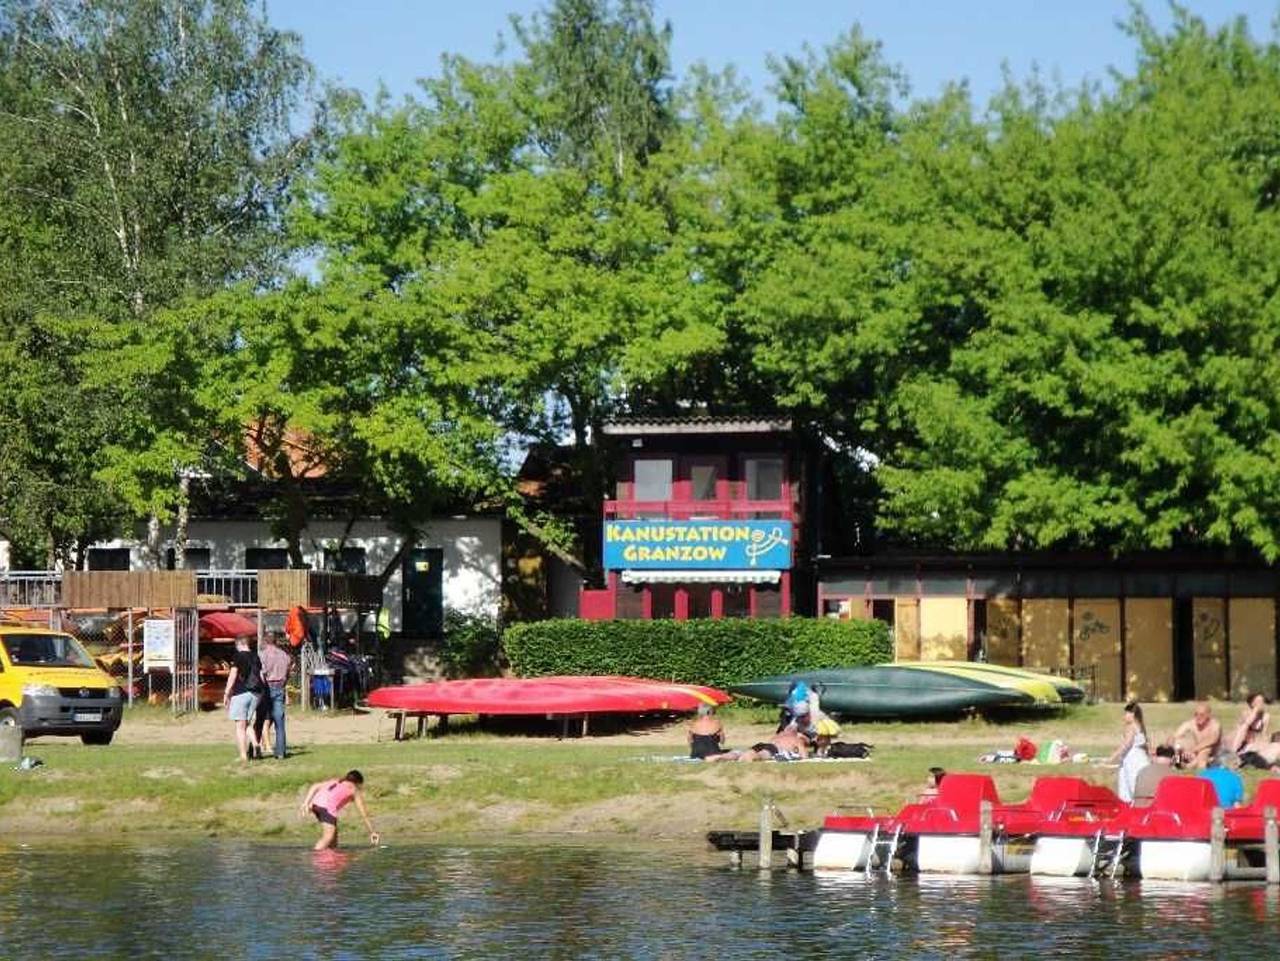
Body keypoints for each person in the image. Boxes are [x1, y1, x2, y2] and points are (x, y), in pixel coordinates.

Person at [300, 770, 380, 851]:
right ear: (358, 783)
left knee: (334, 837)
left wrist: (306, 803)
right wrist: (372, 831)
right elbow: (364, 814)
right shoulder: (353, 790)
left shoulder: (335, 781)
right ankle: (315, 854)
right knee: (328, 837)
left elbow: (315, 786)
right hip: (326, 808)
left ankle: (331, 855)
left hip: (316, 805)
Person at [222, 636, 265, 763]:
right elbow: (261, 675)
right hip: (257, 693)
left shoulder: (238, 656)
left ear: (239, 644)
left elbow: (233, 675)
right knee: (246, 723)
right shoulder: (256, 657)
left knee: (240, 726)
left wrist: (227, 692)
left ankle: (243, 755)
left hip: (241, 693)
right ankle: (256, 743)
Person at [254, 633, 292, 759]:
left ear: (265, 642)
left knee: (260, 720)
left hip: (267, 687)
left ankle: (255, 750)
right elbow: (287, 674)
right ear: (276, 642)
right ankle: (281, 752)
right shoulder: (284, 655)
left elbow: (260, 674)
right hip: (280, 687)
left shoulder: (262, 655)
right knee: (279, 722)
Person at [1108, 701, 1150, 803]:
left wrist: (1113, 756)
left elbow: (1127, 743)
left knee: (1129, 787)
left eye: (1126, 713)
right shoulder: (1140, 727)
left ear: (1133, 714)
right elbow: (1146, 744)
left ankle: (1132, 809)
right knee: (1137, 786)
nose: (1124, 716)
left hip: (1132, 761)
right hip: (1141, 759)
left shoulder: (1131, 727)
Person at [1170, 702, 1222, 770]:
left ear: (1208, 715)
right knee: (1178, 743)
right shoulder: (1191, 723)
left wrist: (1192, 750)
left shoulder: (1215, 724)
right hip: (1196, 752)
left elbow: (1212, 739)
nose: (1198, 717)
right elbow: (1175, 736)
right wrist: (1172, 744)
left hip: (1212, 753)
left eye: (1202, 715)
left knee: (1205, 750)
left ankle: (1187, 766)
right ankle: (1176, 762)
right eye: (1196, 714)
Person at [738, 726, 810, 762]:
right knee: (761, 755)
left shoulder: (779, 735)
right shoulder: (796, 739)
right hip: (773, 748)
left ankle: (738, 755)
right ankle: (750, 756)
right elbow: (804, 756)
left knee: (742, 754)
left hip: (764, 744)